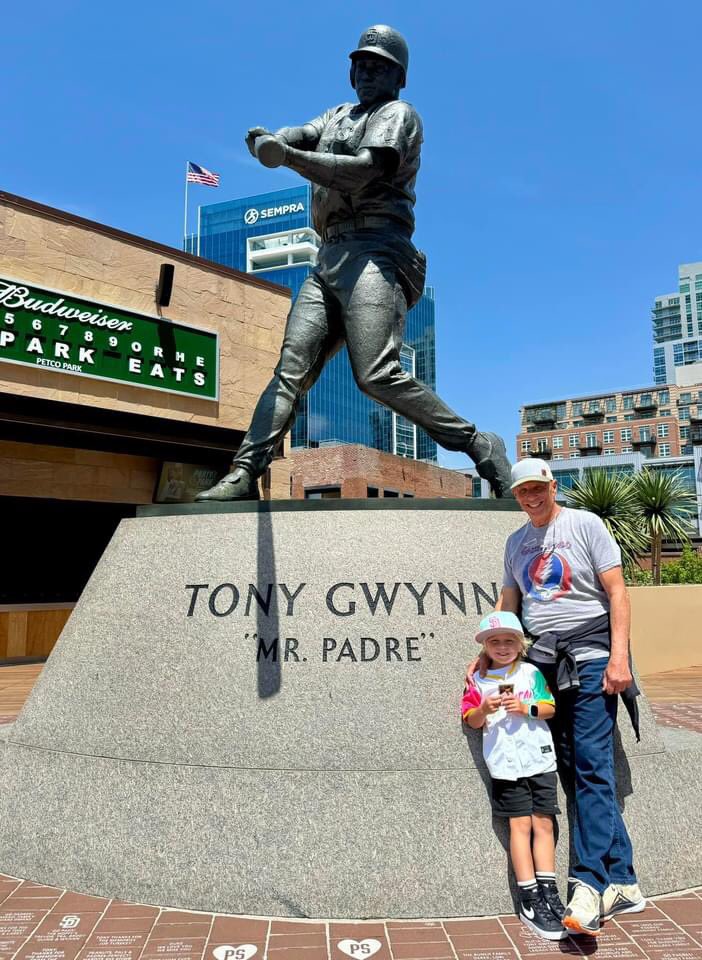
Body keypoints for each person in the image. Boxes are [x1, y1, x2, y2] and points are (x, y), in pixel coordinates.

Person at [196, 25, 512, 502]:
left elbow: (363, 171)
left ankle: (477, 443)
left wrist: (287, 157)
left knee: (376, 374)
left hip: (377, 251)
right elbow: (300, 132)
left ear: (399, 77)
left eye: (379, 65)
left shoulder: (399, 114)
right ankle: (244, 471)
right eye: (361, 63)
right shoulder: (338, 115)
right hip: (328, 259)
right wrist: (273, 138)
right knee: (291, 369)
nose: (367, 71)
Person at [476, 458, 645, 937]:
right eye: (522, 491)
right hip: (545, 663)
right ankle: (624, 879)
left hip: (591, 654)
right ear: (516, 494)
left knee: (591, 762)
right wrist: (488, 651)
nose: (531, 497)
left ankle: (588, 884)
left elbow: (617, 593)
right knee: (570, 765)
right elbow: (510, 602)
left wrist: (619, 658)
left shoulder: (584, 524)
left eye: (538, 488)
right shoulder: (515, 543)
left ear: (552, 486)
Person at [462, 611, 567, 941]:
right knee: (519, 826)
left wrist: (527, 708)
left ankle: (550, 891)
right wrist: (485, 709)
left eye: (509, 641)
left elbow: (550, 707)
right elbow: (471, 720)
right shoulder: (477, 680)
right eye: (495, 642)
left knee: (544, 822)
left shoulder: (530, 672)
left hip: (538, 758)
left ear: (520, 644)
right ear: (485, 646)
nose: (503, 647)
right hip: (506, 765)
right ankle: (530, 897)